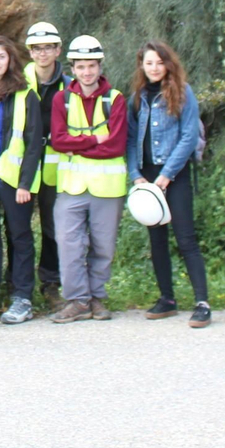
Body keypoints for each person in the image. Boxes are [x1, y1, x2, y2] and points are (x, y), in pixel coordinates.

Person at [126, 41, 210, 328]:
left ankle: (202, 303)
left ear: (168, 64)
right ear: (142, 65)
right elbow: (131, 138)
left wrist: (167, 174)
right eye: (149, 63)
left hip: (175, 174)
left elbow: (189, 136)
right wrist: (135, 174)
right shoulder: (137, 97)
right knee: (156, 239)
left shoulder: (183, 93)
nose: (154, 68)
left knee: (186, 238)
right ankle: (167, 299)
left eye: (159, 63)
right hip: (147, 176)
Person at [49, 35, 127, 324]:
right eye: (81, 66)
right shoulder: (62, 99)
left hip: (107, 188)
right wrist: (95, 139)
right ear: (73, 68)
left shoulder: (115, 99)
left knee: (103, 247)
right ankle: (78, 300)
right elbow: (58, 141)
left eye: (91, 65)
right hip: (71, 186)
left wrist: (77, 144)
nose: (86, 72)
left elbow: (116, 145)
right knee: (68, 243)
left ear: (100, 66)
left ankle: (96, 297)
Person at [0, 35, 47, 325]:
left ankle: (22, 297)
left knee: (19, 236)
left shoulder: (25, 94)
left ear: (10, 60)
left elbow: (33, 143)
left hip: (13, 177)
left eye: (1, 56)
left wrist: (25, 183)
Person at [24, 21, 67, 304]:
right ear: (30, 51)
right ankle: (18, 283)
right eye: (37, 48)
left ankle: (51, 283)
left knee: (54, 226)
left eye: (48, 47)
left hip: (55, 165)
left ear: (57, 50)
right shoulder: (19, 82)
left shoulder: (69, 85)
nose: (43, 53)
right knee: (17, 227)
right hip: (23, 164)